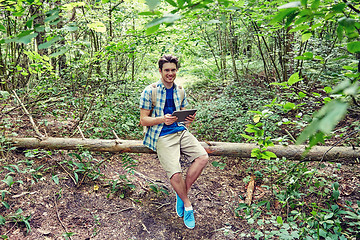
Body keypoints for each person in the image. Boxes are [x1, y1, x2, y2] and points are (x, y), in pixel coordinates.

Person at [139, 54, 208, 229]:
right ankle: (187, 204)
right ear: (161, 71)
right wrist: (163, 119)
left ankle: (180, 191)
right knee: (175, 174)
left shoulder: (180, 90)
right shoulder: (150, 91)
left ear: (176, 70)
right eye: (167, 70)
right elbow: (143, 120)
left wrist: (188, 119)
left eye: (173, 70)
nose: (170, 73)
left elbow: (183, 115)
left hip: (181, 131)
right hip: (161, 134)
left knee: (202, 158)